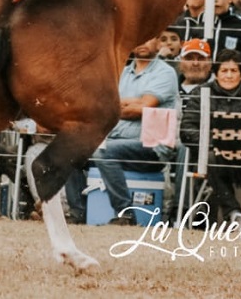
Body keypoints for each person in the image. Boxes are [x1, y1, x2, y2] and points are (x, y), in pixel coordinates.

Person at [66, 36, 179, 226]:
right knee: (71, 152)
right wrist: (132, 104)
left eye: (148, 38)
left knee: (104, 151)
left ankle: (125, 214)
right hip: (116, 140)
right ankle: (78, 213)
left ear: (159, 43)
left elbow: (143, 106)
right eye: (139, 38)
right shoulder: (121, 72)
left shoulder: (165, 73)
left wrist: (126, 105)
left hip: (151, 146)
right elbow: (102, 107)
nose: (142, 42)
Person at [180, 49, 241, 225]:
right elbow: (186, 130)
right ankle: (234, 214)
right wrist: (217, 141)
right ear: (216, 73)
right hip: (214, 154)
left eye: (234, 70)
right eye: (224, 70)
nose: (229, 75)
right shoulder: (200, 93)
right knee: (213, 158)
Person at [175, 38, 213, 109]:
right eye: (189, 58)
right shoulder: (171, 87)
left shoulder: (217, 88)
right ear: (180, 63)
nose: (195, 63)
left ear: (210, 63)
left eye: (201, 58)